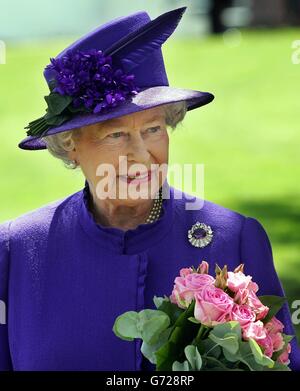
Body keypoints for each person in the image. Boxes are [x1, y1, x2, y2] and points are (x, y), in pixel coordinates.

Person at [0, 6, 299, 371]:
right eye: (117, 134)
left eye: (153, 129)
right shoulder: (17, 251)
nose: (141, 154)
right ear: (70, 145)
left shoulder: (235, 240)